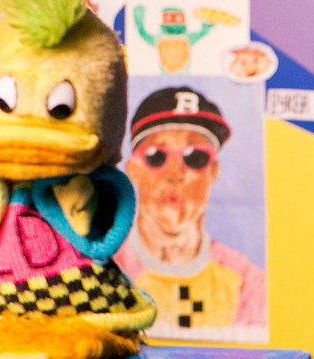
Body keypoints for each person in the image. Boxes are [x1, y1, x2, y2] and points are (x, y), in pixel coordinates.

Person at [114, 86, 265, 332]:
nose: (175, 173)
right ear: (133, 169)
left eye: (195, 157)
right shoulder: (105, 268)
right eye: (156, 155)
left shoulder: (247, 284)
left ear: (213, 172)